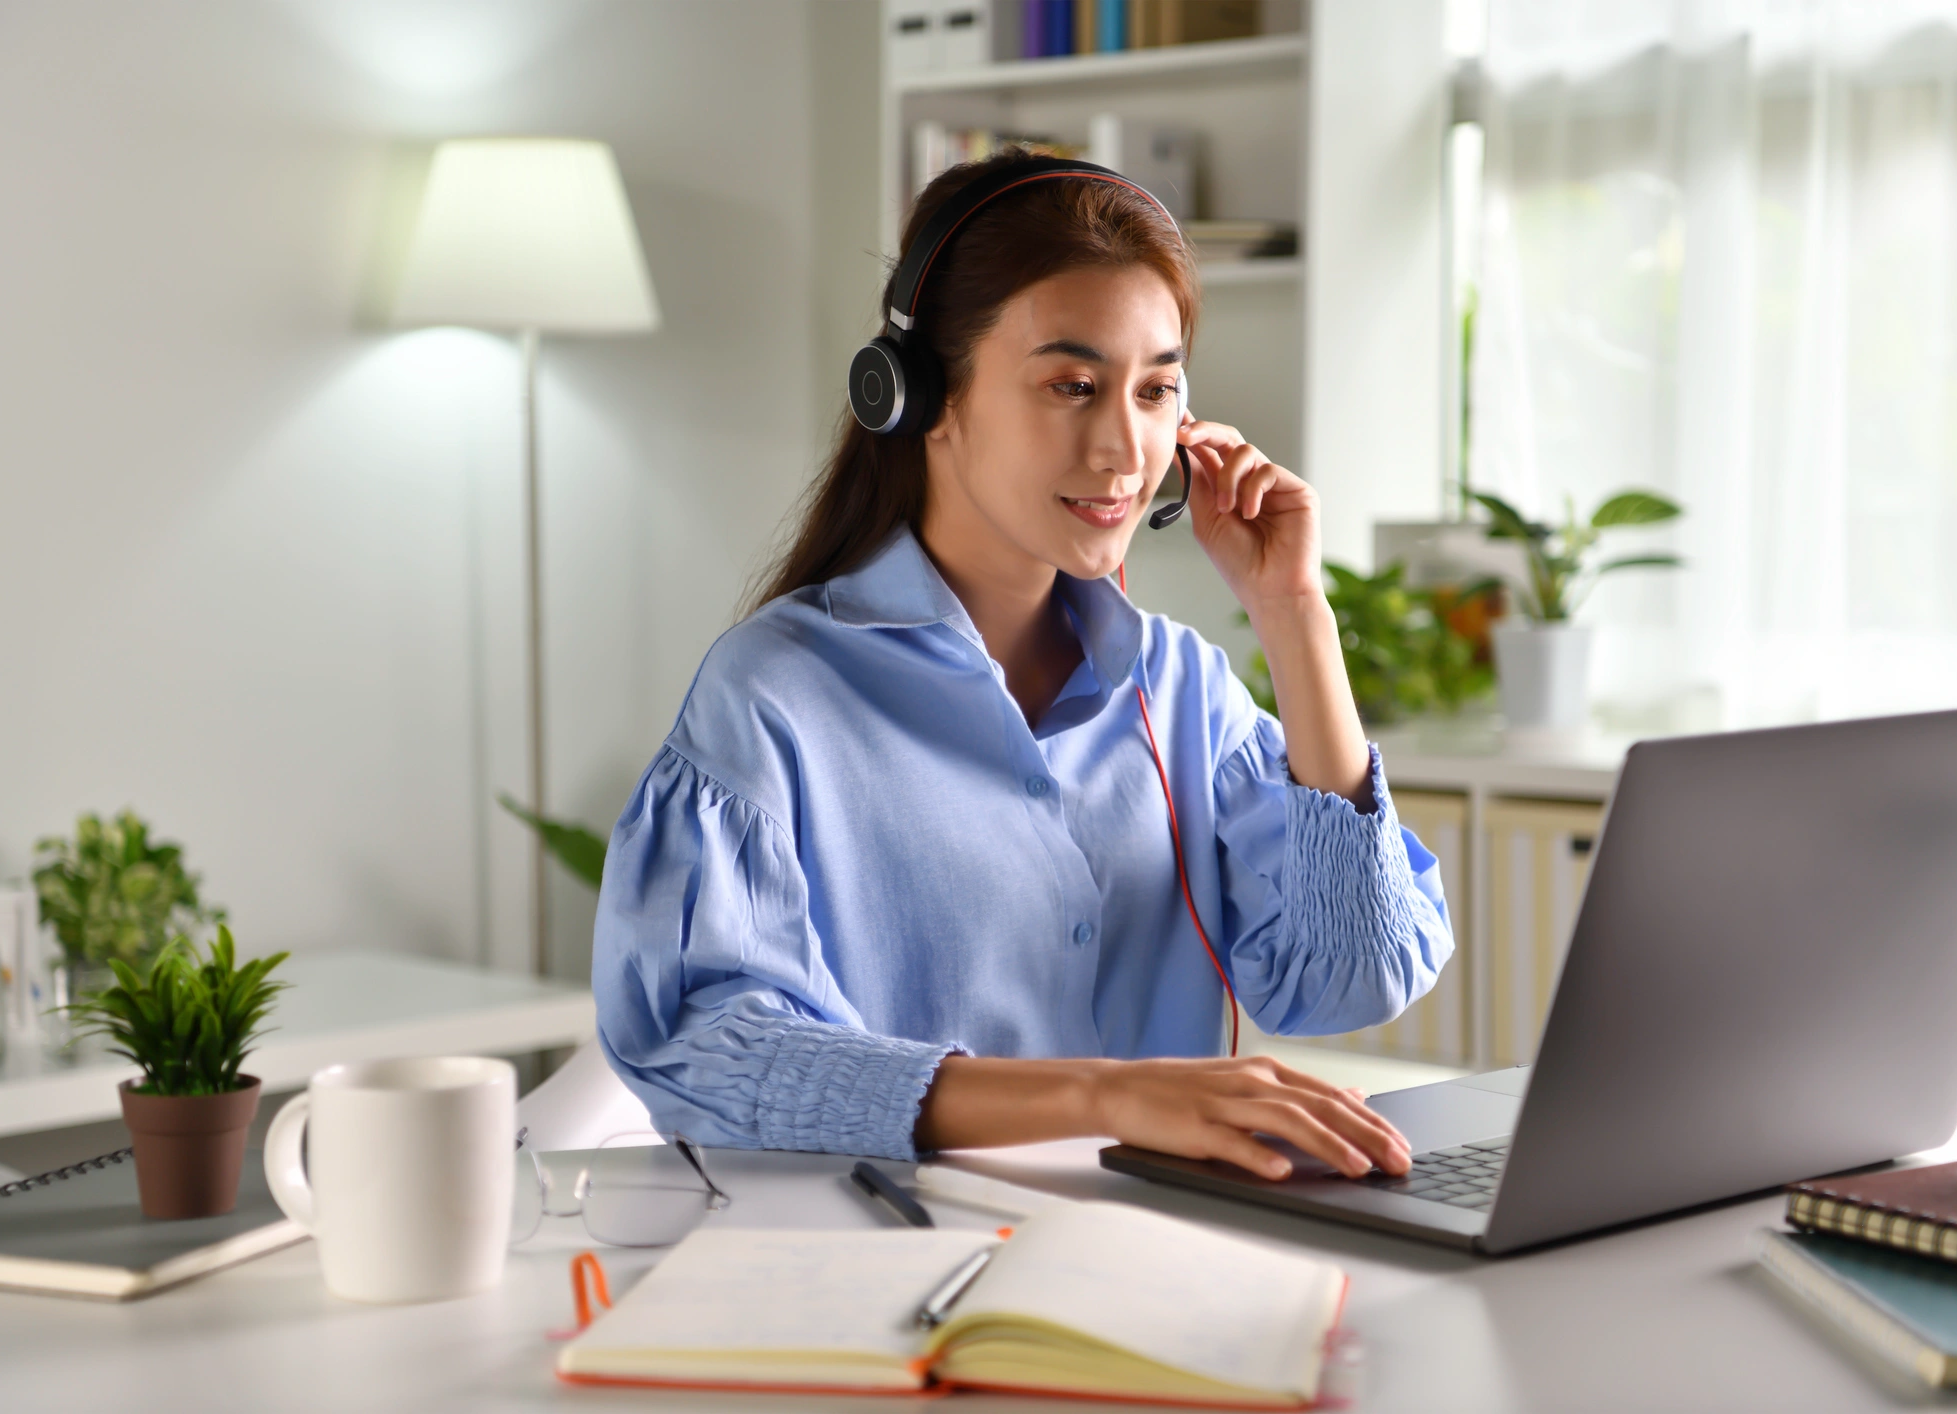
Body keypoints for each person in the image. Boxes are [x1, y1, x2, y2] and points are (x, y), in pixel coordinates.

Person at [593, 150, 1452, 1183]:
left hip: (1162, 1261)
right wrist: (1104, 1094)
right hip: (898, 1279)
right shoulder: (775, 696)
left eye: (1157, 390)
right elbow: (706, 1054)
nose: (1125, 450)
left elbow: (1351, 978)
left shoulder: (1181, 688)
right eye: (1072, 384)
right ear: (920, 397)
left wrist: (1294, 613)